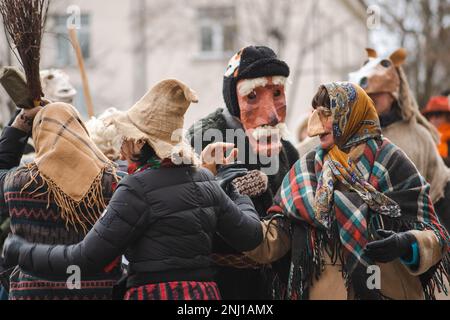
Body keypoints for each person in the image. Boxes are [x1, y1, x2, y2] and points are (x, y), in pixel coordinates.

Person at [2, 79, 263, 300]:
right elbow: (251, 236)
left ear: (140, 142)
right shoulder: (205, 180)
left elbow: (85, 257)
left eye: (126, 137)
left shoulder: (136, 188)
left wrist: (21, 251)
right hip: (203, 295)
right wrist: (233, 181)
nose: (122, 145)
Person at [244, 82, 450, 300]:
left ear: (351, 115)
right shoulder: (307, 169)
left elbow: (437, 235)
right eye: (316, 113)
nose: (316, 125)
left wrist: (408, 244)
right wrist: (231, 206)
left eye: (327, 113)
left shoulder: (392, 162)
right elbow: (275, 238)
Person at [187, 45, 299, 300]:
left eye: (278, 93)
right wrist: (228, 189)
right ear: (233, 100)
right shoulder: (204, 139)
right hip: (223, 284)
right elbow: (188, 208)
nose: (271, 114)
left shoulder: (289, 152)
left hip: (274, 283)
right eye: (252, 97)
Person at [0, 101, 122, 300]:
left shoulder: (18, 182)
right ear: (82, 132)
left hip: (32, 292)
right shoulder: (115, 182)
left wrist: (20, 125)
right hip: (98, 292)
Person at [349, 48, 450, 232]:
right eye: (366, 96)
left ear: (393, 94)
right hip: (357, 233)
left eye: (377, 94)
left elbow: (440, 191)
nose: (370, 100)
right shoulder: (348, 135)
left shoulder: (419, 136)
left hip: (411, 236)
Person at [422, 95, 450, 167]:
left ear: (447, 117)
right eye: (430, 115)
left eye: (438, 114)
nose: (433, 119)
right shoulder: (424, 137)